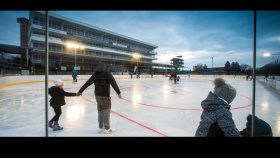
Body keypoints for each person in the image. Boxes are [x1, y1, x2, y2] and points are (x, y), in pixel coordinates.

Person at [77, 62, 122, 134]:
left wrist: (80, 91)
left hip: (97, 95)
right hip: (105, 95)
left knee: (100, 111)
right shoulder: (107, 73)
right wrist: (118, 92)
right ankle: (107, 128)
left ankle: (101, 127)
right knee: (106, 111)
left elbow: (87, 83)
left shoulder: (95, 74)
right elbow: (113, 82)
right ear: (104, 67)